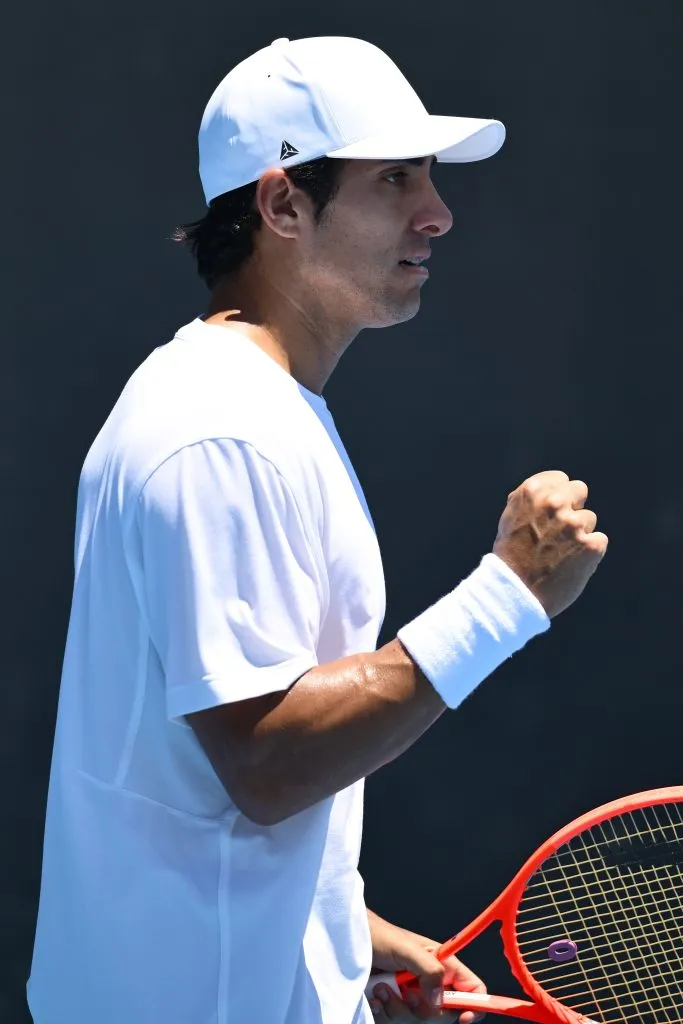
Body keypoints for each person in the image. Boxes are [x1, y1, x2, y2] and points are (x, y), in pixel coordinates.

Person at [27, 34, 607, 1024]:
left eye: (426, 175)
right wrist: (505, 596)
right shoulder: (221, 432)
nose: (437, 211)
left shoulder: (235, 403)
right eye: (394, 179)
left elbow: (197, 767)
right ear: (281, 205)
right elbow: (265, 759)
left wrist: (344, 933)